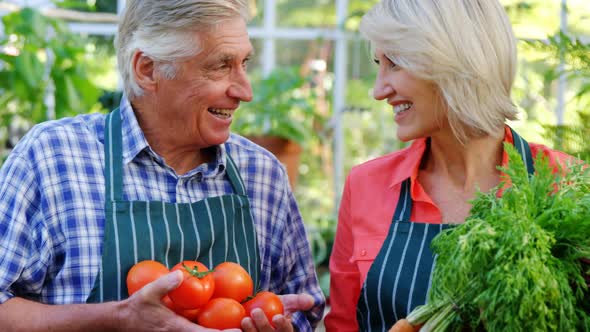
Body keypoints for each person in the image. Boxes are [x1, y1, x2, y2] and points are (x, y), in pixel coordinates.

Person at [0, 1, 324, 331]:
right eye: (220, 66)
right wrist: (117, 318)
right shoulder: (54, 158)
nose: (245, 90)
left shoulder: (262, 174)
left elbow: (302, 308)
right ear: (148, 69)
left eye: (244, 63)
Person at [324, 0, 588, 331]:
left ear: (455, 63)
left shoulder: (571, 186)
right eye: (379, 63)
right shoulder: (367, 185)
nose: (378, 91)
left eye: (395, 64)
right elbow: (343, 325)